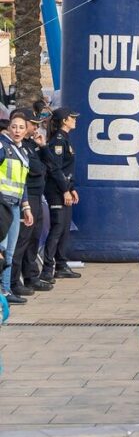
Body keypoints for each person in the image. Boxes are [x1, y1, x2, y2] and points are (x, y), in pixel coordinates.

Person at [10, 109, 50, 298]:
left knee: (34, 238)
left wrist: (42, 147)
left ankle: (31, 275)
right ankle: (12, 281)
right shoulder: (17, 147)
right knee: (21, 240)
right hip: (25, 196)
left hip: (35, 195)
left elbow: (47, 166)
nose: (35, 127)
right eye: (32, 124)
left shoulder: (30, 145)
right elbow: (35, 169)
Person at [40, 108, 80, 283]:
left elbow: (66, 169)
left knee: (64, 229)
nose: (74, 120)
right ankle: (48, 269)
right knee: (57, 228)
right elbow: (55, 169)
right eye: (72, 118)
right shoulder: (57, 141)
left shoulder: (65, 139)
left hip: (64, 188)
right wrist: (65, 190)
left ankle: (61, 265)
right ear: (64, 120)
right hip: (56, 190)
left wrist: (71, 188)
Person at [0, 113, 34, 304]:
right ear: (8, 128)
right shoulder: (2, 146)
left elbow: (23, 183)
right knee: (2, 248)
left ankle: (5, 291)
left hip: (14, 205)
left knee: (11, 250)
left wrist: (26, 208)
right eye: (14, 127)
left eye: (21, 127)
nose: (17, 131)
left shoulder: (23, 151)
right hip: (2, 205)